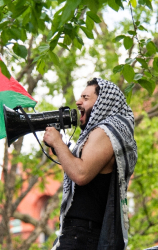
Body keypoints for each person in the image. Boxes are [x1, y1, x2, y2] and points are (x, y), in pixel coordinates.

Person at [43, 78, 137, 250]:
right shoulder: (102, 133)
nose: (78, 102)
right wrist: (60, 147)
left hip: (83, 236)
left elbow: (81, 174)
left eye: (86, 98)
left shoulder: (105, 131)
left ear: (103, 103)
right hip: (80, 234)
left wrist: (58, 143)